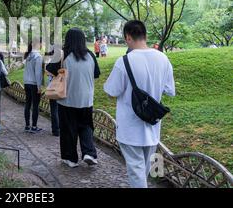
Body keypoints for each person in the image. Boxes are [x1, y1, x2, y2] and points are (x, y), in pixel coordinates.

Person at [103, 20, 175, 188]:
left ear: (128, 37)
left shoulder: (124, 62)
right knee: (143, 171)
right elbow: (170, 90)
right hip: (152, 126)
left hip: (130, 128)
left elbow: (111, 91)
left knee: (136, 172)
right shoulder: (163, 59)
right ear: (145, 35)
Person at [57, 28, 100, 168]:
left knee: (68, 129)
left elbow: (50, 70)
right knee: (86, 126)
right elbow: (96, 74)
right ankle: (89, 153)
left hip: (67, 99)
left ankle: (70, 159)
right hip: (86, 99)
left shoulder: (62, 55)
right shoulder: (91, 55)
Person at [23, 41, 43, 133]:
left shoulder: (28, 56)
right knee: (35, 105)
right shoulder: (38, 56)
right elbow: (38, 73)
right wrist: (39, 86)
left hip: (27, 82)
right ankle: (34, 126)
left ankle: (27, 125)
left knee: (27, 104)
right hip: (34, 83)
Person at [45, 47, 62, 137]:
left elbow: (47, 70)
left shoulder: (53, 62)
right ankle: (61, 128)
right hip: (63, 88)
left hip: (53, 88)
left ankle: (56, 130)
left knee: (54, 109)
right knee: (60, 109)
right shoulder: (65, 61)